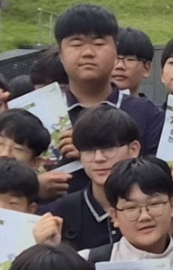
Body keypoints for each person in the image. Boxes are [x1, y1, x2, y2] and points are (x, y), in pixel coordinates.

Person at [49, 4, 165, 157]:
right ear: (61, 54)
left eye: (99, 44)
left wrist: (90, 152)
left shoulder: (146, 113)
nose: (88, 53)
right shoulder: (41, 113)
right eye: (76, 44)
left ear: (116, 49)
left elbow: (158, 176)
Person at [38, 104, 145, 255]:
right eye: (88, 150)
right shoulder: (57, 215)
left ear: (134, 149)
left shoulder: (155, 209)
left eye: (108, 148)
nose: (99, 158)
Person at [112, 26, 156, 97]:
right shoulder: (90, 107)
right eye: (114, 58)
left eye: (130, 59)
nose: (119, 66)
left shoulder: (148, 108)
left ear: (146, 68)